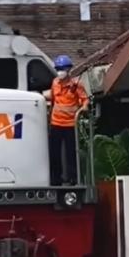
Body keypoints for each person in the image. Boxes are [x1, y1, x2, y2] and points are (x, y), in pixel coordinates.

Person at [44, 55, 89, 186]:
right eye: (58, 69)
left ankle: (72, 179)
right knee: (54, 153)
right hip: (56, 123)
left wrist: (85, 107)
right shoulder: (55, 83)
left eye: (62, 69)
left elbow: (85, 99)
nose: (60, 71)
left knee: (71, 154)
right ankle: (55, 179)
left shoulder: (76, 85)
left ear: (68, 70)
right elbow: (53, 100)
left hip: (70, 124)